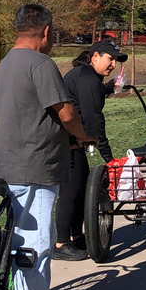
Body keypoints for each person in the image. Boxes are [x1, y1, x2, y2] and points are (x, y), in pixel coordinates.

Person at [0, 3, 98, 290]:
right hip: (35, 165)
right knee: (34, 246)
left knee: (18, 238)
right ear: (46, 32)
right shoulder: (41, 63)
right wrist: (82, 136)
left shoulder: (6, 63)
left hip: (6, 162)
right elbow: (65, 112)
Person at [54, 40, 127, 261]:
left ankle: (76, 237)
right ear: (95, 56)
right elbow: (94, 120)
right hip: (68, 141)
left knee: (82, 186)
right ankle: (61, 243)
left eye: (115, 60)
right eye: (109, 58)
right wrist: (109, 158)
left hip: (73, 139)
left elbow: (84, 101)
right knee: (72, 191)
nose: (113, 64)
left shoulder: (86, 76)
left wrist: (106, 88)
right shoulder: (87, 80)